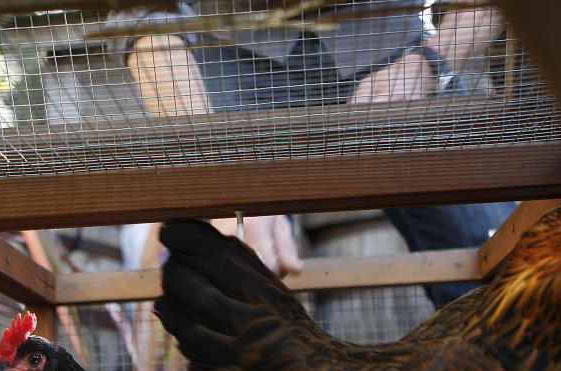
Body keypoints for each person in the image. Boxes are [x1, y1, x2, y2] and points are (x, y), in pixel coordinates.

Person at [113, 0, 515, 307]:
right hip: (232, 55)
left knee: (508, 264)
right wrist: (220, 169)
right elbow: (143, 13)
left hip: (395, 47)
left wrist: (430, 62)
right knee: (231, 285)